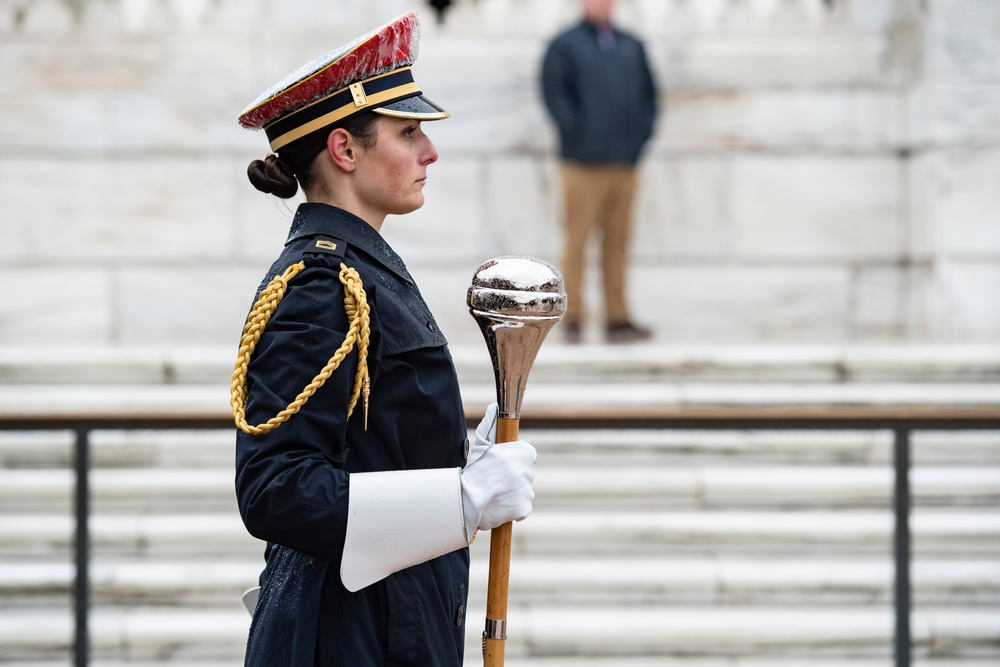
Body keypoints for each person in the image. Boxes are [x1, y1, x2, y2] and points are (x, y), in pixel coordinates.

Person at [229, 13, 537, 666]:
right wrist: (460, 499)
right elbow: (274, 487)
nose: (430, 152)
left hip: (385, 628)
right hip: (352, 639)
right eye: (408, 132)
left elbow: (369, 447)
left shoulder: (358, 267)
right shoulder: (321, 284)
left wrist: (458, 466)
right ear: (344, 150)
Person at [540, 0, 658, 344]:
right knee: (577, 240)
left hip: (625, 164)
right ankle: (574, 316)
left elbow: (650, 98)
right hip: (582, 164)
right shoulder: (565, 45)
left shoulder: (631, 45)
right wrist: (577, 133)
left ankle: (617, 317)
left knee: (618, 241)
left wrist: (639, 141)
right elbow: (554, 94)